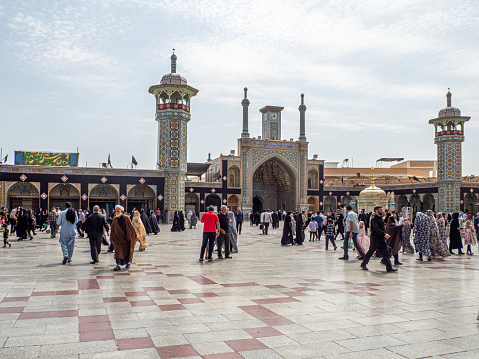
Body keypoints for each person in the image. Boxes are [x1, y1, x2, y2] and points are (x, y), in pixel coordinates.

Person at [360, 206, 397, 272]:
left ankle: (389, 268)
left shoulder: (381, 218)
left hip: (381, 239)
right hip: (375, 239)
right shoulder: (374, 219)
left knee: (385, 253)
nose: (382, 210)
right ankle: (363, 264)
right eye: (380, 209)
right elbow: (376, 229)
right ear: (376, 210)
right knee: (370, 252)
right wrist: (384, 234)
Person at [110, 205, 137, 271]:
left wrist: (132, 237)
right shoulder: (115, 219)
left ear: (121, 211)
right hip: (118, 240)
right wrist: (112, 238)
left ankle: (127, 262)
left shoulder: (126, 218)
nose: (116, 212)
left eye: (118, 211)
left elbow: (131, 228)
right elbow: (113, 229)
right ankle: (118, 265)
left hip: (126, 240)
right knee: (118, 253)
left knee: (127, 252)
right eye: (116, 211)